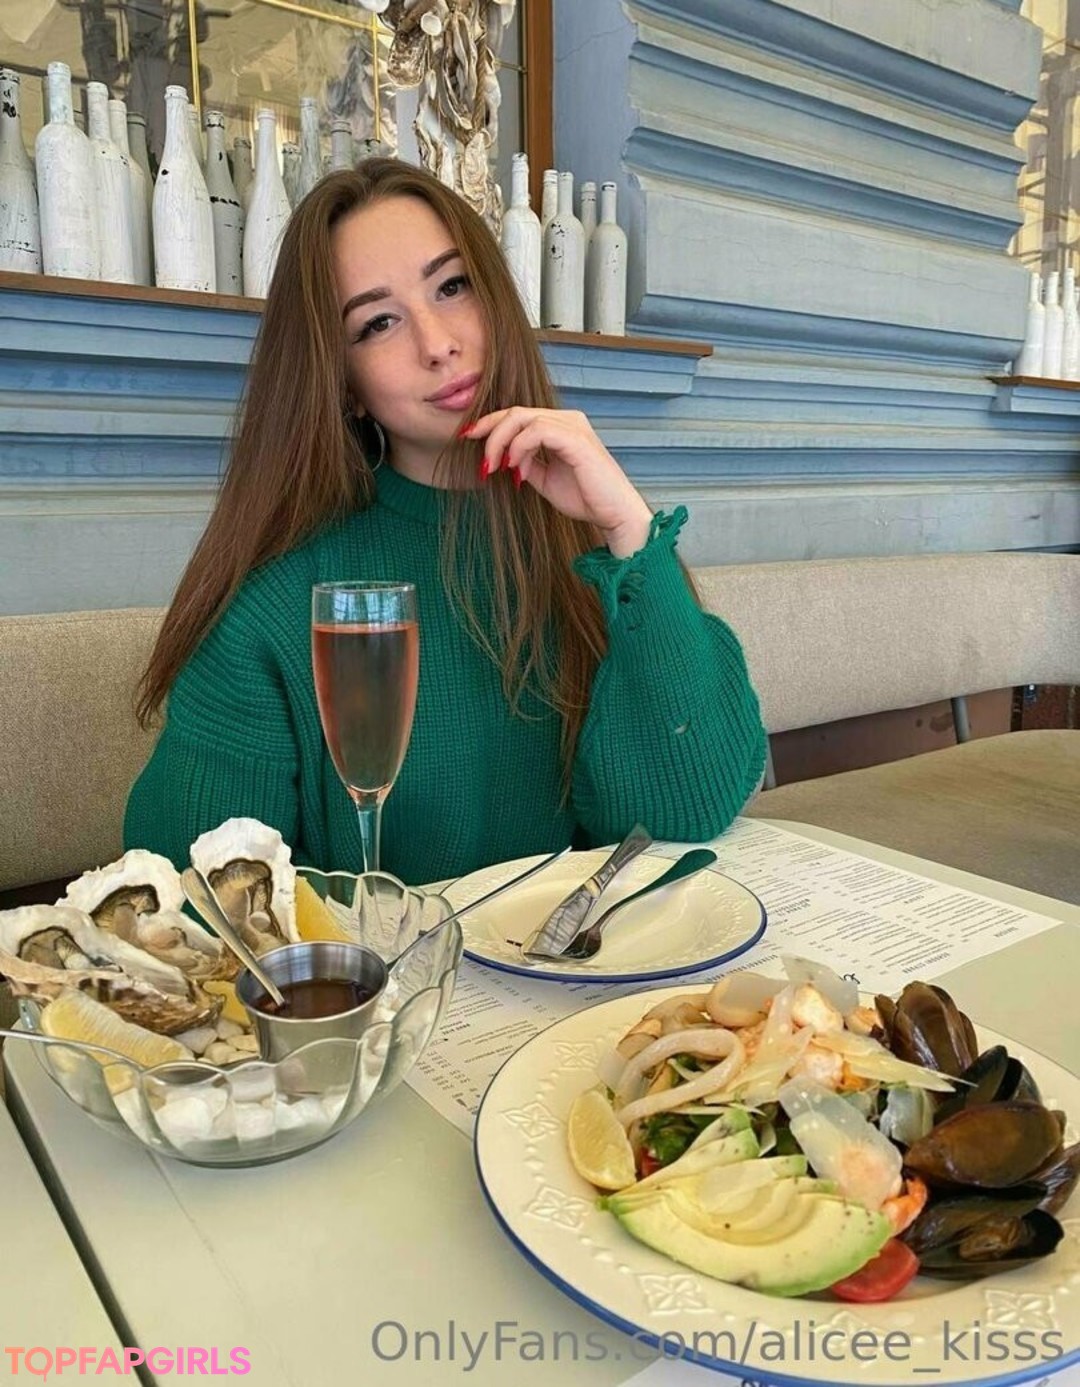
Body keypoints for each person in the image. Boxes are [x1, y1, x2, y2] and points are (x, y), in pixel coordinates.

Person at [124, 157, 767, 885]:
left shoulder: (598, 553)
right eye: (378, 323)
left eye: (452, 286)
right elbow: (194, 895)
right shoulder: (276, 607)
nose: (437, 344)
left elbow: (689, 810)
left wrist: (629, 529)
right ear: (345, 382)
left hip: (604, 955)